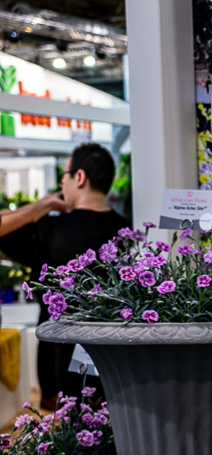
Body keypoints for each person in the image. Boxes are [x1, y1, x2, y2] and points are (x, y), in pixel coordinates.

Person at [0, 143, 129, 409]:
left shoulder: (50, 229)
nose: (63, 182)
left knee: (65, 438)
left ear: (79, 177)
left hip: (57, 359)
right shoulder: (125, 230)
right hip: (112, 356)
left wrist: (41, 205)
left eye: (65, 175)